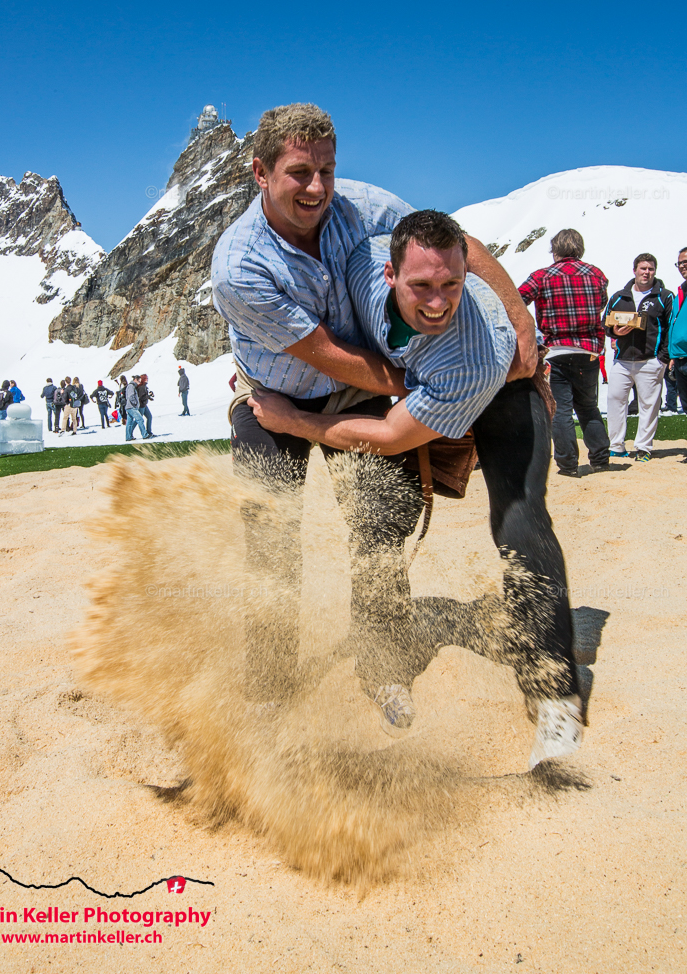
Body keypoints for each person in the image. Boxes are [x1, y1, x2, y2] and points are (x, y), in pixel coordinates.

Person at [211, 103, 538, 734]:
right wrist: (434, 391)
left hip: (357, 393)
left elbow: (457, 245)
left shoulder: (361, 204)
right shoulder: (239, 266)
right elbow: (327, 354)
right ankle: (270, 687)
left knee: (381, 526)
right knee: (271, 539)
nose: (317, 188)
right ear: (260, 172)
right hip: (272, 396)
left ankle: (383, 666)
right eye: (299, 172)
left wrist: (519, 320)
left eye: (327, 170)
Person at [251, 212, 583, 768]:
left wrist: (293, 422)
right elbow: (459, 241)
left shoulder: (471, 359)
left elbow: (388, 435)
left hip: (502, 379)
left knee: (520, 519)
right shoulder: (361, 260)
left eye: (451, 284)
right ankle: (384, 667)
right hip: (421, 380)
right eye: (421, 285)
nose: (436, 301)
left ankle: (555, 694)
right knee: (381, 516)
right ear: (389, 274)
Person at [518, 228, 611, 477]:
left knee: (561, 410)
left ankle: (568, 465)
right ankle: (600, 459)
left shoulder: (541, 277)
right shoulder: (596, 274)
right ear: (580, 248)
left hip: (556, 351)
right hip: (588, 351)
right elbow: (602, 303)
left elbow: (517, 300)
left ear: (555, 250)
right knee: (588, 407)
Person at [604, 254, 673, 462]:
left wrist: (662, 358)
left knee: (648, 406)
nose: (646, 272)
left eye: (650, 269)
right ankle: (616, 446)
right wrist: (615, 332)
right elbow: (606, 323)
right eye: (643, 268)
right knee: (615, 400)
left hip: (651, 360)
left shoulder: (664, 296)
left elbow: (670, 328)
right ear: (634, 270)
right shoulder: (619, 296)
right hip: (622, 360)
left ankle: (643, 448)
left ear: (655, 271)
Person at [667, 246, 687, 415]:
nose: (682, 266)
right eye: (679, 263)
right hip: (680, 358)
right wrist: (673, 354)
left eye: (686, 262)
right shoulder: (680, 292)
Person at [124, 376, 148, 441]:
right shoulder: (131, 386)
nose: (139, 383)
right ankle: (144, 434)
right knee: (140, 419)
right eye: (139, 381)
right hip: (131, 407)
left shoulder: (131, 386)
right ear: (135, 380)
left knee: (129, 422)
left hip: (129, 407)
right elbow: (131, 396)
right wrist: (135, 403)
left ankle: (128, 437)